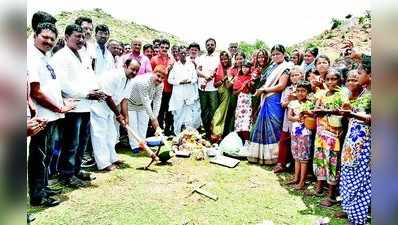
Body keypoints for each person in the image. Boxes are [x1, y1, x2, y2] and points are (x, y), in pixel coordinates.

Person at [51, 24, 105, 188]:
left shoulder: (83, 54)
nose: (81, 40)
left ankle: (76, 169)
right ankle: (66, 175)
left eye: (82, 37)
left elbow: (90, 75)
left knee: (82, 142)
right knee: (71, 143)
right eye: (77, 36)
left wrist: (97, 91)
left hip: (86, 106)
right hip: (72, 107)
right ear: (66, 37)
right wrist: (86, 94)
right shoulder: (61, 57)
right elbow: (63, 84)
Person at [28, 23, 75, 206]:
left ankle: (44, 187)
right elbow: (35, 91)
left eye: (52, 39)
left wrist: (61, 106)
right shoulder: (32, 58)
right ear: (35, 36)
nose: (48, 41)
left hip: (51, 116)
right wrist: (58, 108)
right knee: (39, 157)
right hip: (41, 117)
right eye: (44, 37)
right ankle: (38, 195)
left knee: (46, 155)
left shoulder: (45, 57)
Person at [90, 59, 139, 171]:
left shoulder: (130, 80)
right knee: (100, 135)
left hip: (109, 110)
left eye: (137, 70)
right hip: (99, 107)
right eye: (132, 69)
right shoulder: (114, 75)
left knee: (111, 134)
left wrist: (125, 116)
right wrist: (118, 115)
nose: (134, 73)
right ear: (125, 66)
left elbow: (124, 100)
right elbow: (107, 96)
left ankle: (112, 157)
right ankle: (103, 163)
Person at [339, 57, 371, 225]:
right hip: (352, 142)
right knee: (349, 175)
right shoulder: (364, 93)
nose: (357, 76)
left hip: (365, 145)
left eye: (360, 73)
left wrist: (352, 114)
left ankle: (357, 218)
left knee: (361, 181)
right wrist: (350, 110)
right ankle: (349, 210)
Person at [247, 44, 292, 165]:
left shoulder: (286, 67)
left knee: (274, 126)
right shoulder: (272, 67)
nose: (275, 56)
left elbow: (281, 86)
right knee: (263, 125)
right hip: (267, 98)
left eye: (278, 54)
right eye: (273, 54)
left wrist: (264, 90)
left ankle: (274, 156)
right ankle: (263, 155)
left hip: (275, 99)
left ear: (284, 54)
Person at [311, 68, 349, 207]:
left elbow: (343, 112)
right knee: (320, 160)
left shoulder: (342, 95)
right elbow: (316, 111)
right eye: (328, 79)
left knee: (332, 163)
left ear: (340, 81)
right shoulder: (322, 94)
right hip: (321, 132)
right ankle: (319, 188)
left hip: (334, 135)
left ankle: (331, 195)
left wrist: (324, 111)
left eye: (334, 79)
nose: (330, 82)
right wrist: (316, 111)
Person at [127, 65, 166, 150]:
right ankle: (134, 147)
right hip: (130, 103)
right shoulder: (143, 82)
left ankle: (142, 145)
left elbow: (157, 100)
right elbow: (146, 101)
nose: (159, 79)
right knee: (133, 125)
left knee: (143, 125)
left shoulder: (161, 85)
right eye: (158, 76)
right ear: (153, 73)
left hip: (143, 106)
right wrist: (153, 120)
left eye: (162, 78)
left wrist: (155, 117)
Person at [273, 66, 304, 173]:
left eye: (297, 75)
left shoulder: (306, 87)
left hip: (301, 121)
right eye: (292, 76)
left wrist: (295, 98)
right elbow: (283, 104)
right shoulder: (287, 89)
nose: (295, 77)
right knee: (283, 141)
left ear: (302, 75)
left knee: (298, 143)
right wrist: (289, 101)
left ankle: (295, 166)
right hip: (288, 120)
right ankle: (280, 163)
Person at [286, 80, 314, 190]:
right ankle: (296, 178)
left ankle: (302, 181)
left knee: (304, 158)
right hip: (295, 133)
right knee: (296, 157)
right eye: (298, 91)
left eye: (303, 91)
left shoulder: (310, 103)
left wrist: (307, 114)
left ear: (308, 92)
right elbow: (289, 117)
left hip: (306, 134)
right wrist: (299, 117)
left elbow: (313, 116)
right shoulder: (293, 103)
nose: (300, 93)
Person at [168, 47, 201, 135]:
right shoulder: (175, 65)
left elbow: (195, 78)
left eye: (184, 53)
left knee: (189, 116)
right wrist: (179, 82)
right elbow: (170, 80)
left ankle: (189, 135)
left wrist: (190, 80)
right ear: (178, 54)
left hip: (189, 93)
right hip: (178, 95)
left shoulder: (191, 65)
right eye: (181, 53)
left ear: (186, 54)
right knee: (178, 115)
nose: (183, 55)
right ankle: (177, 134)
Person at [151, 39, 175, 136]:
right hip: (158, 89)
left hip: (170, 88)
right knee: (159, 110)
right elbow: (151, 74)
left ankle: (168, 130)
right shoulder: (154, 59)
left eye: (166, 47)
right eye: (162, 47)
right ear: (159, 47)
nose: (164, 49)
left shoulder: (171, 59)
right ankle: (159, 131)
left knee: (169, 111)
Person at [196, 38, 220, 138]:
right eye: (208, 44)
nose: (210, 46)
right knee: (204, 110)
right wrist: (204, 77)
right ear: (205, 46)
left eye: (212, 44)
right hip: (202, 88)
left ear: (215, 46)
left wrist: (207, 79)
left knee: (214, 111)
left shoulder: (218, 58)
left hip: (213, 88)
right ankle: (207, 132)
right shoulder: (201, 58)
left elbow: (216, 71)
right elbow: (198, 70)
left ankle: (214, 133)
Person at [210, 51, 232, 142]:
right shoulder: (218, 69)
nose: (224, 61)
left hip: (231, 93)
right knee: (219, 113)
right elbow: (215, 84)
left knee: (227, 115)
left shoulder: (232, 68)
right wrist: (223, 79)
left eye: (225, 59)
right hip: (221, 93)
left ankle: (223, 134)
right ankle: (216, 134)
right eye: (222, 59)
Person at [233, 61, 253, 142]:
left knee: (246, 122)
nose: (245, 69)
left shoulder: (252, 77)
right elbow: (234, 92)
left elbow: (253, 91)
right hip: (240, 102)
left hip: (249, 102)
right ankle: (240, 142)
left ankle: (247, 142)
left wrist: (249, 86)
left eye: (247, 67)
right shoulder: (238, 77)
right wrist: (241, 88)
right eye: (243, 67)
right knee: (239, 122)